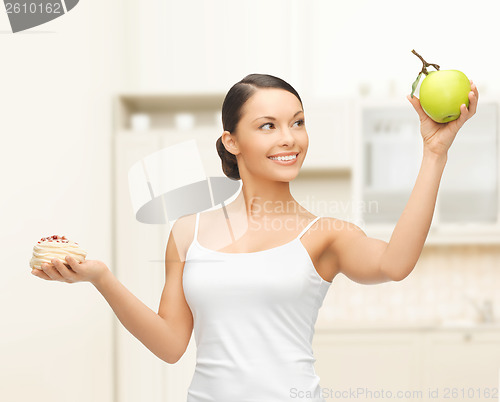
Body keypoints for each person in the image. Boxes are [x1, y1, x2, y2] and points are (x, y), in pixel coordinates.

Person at [31, 73, 479, 401]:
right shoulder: (188, 232)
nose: (289, 139)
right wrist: (101, 277)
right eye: (268, 126)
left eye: (298, 122)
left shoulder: (323, 235)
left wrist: (434, 153)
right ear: (231, 141)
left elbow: (394, 264)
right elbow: (170, 345)